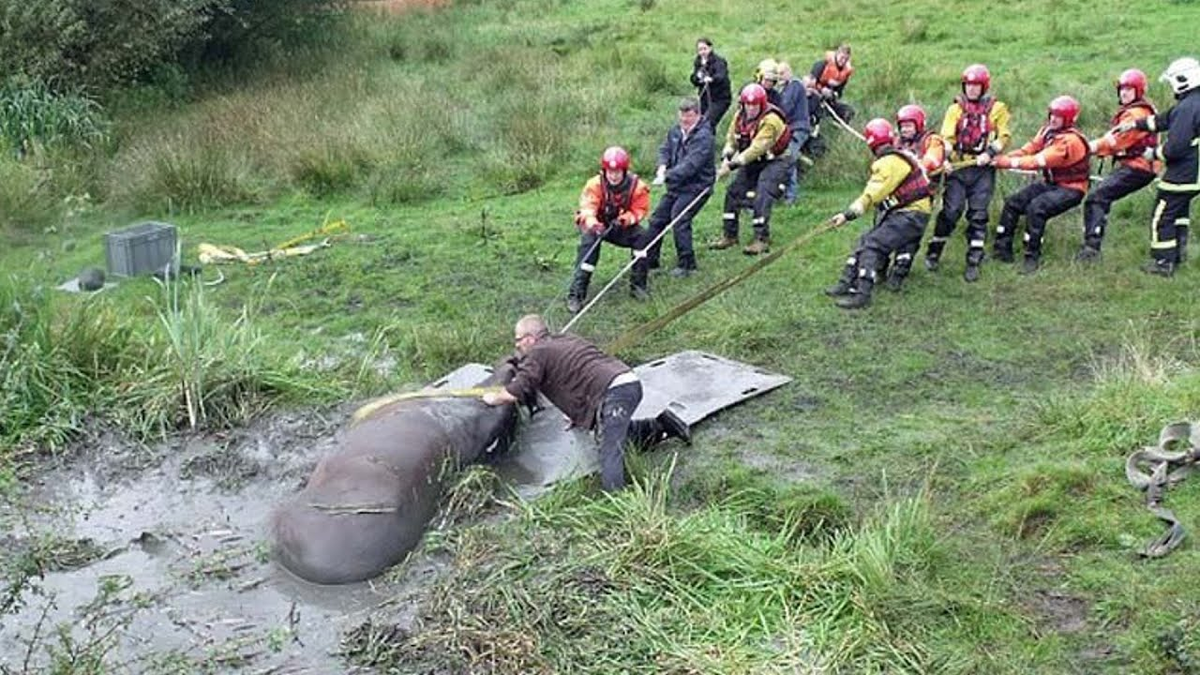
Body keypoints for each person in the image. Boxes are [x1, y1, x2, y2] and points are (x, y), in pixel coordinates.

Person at [482, 315, 691, 492]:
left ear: (530, 338)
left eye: (518, 339)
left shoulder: (538, 353)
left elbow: (518, 389)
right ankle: (662, 424)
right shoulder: (565, 340)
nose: (516, 345)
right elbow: (574, 375)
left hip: (615, 391)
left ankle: (618, 503)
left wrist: (492, 397)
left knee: (609, 452)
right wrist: (575, 413)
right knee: (611, 433)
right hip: (625, 382)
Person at [824, 118, 933, 310]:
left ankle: (862, 294)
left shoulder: (888, 162)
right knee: (864, 240)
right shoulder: (897, 157)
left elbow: (872, 194)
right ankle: (846, 281)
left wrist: (847, 215)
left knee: (873, 245)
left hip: (911, 214)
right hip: (910, 213)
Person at [924, 64, 1012, 282]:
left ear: (984, 87)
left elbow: (1004, 136)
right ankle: (934, 250)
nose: (972, 90)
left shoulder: (997, 109)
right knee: (951, 211)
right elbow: (947, 138)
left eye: (976, 86)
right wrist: (945, 157)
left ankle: (974, 259)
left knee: (978, 214)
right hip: (958, 167)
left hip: (982, 169)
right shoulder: (955, 109)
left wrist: (990, 152)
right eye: (969, 86)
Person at [989, 96, 1091, 273]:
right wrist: (1003, 158)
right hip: (1052, 184)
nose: (1053, 119)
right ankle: (1001, 250)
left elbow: (1037, 161)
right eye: (1051, 114)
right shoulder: (1047, 131)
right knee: (1013, 202)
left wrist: (1005, 163)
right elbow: (1029, 149)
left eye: (1058, 116)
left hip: (1072, 189)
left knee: (1036, 209)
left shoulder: (1070, 142)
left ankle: (1031, 257)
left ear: (1068, 119)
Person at [1118, 57, 1200, 276]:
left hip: (1184, 173)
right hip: (1194, 175)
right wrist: (1135, 124)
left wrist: (1152, 153)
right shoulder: (1192, 103)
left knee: (1162, 214)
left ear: (1182, 81)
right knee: (1179, 211)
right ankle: (1178, 254)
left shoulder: (1187, 108)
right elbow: (1164, 120)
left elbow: (1176, 146)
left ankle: (1163, 263)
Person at [1079, 69, 1159, 262]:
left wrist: (1087, 148)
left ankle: (1091, 250)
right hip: (1136, 165)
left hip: (1139, 166)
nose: (1124, 93)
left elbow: (1116, 141)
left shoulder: (1136, 113)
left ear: (1138, 91)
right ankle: (1091, 244)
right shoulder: (1136, 111)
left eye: (1129, 89)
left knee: (1097, 198)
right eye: (1122, 89)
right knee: (1100, 196)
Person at [708, 83, 794, 255]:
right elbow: (732, 139)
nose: (751, 108)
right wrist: (726, 156)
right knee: (733, 192)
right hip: (751, 161)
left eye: (754, 105)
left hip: (776, 161)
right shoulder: (740, 116)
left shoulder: (771, 120)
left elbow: (757, 148)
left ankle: (761, 239)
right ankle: (730, 235)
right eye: (748, 104)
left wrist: (732, 165)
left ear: (761, 104)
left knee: (762, 193)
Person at [567, 147, 651, 313]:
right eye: (610, 171)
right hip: (596, 226)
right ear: (604, 171)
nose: (613, 176)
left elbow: (640, 210)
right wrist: (594, 224)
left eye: (617, 171)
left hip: (619, 225)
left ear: (624, 170)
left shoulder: (638, 187)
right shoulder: (594, 184)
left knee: (642, 238)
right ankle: (576, 294)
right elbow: (587, 207)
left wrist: (624, 220)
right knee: (589, 249)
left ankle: (638, 286)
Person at [648, 97, 715, 277]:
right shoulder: (676, 131)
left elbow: (690, 166)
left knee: (680, 219)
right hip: (677, 186)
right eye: (682, 117)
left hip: (698, 187)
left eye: (689, 117)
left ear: (698, 115)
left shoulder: (704, 137)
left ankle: (687, 265)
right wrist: (662, 165)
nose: (685, 121)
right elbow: (665, 149)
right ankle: (651, 261)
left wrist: (666, 176)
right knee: (657, 220)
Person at [886, 104, 948, 289]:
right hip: (896, 195)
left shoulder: (932, 141)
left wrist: (913, 163)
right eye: (902, 126)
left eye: (909, 125)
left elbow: (932, 160)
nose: (905, 129)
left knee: (910, 235)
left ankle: (900, 269)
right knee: (885, 227)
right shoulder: (896, 142)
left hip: (921, 196)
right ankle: (879, 265)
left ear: (919, 124)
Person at [803, 43, 854, 157]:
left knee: (849, 112)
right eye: (841, 57)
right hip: (814, 99)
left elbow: (839, 93)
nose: (843, 61)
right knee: (813, 115)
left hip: (829, 102)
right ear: (836, 54)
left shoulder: (845, 73)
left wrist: (832, 94)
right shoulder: (821, 65)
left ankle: (835, 126)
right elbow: (809, 85)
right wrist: (821, 91)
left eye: (845, 59)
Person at [778, 61, 812, 205]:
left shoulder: (794, 85)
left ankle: (790, 197)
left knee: (788, 158)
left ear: (788, 72)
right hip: (793, 128)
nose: (779, 77)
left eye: (781, 73)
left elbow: (785, 108)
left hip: (798, 128)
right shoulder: (789, 87)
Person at [691, 38, 732, 133]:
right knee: (700, 122)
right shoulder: (698, 62)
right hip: (704, 99)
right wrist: (697, 78)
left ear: (710, 48)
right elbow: (694, 80)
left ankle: (707, 144)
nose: (702, 52)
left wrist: (711, 79)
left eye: (704, 49)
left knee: (708, 122)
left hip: (720, 99)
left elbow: (722, 76)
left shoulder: (719, 61)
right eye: (700, 50)